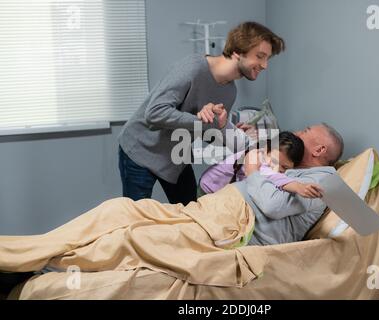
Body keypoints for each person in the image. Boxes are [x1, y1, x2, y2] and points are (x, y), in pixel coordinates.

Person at [0, 123, 343, 295]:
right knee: (117, 209)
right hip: (211, 208)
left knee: (132, 238)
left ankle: (37, 271)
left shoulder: (325, 178)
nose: (299, 131)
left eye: (306, 130)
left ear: (320, 146)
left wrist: (256, 172)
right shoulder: (293, 169)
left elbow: (269, 203)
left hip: (236, 226)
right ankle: (18, 255)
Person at [117, 21, 285, 205]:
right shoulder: (193, 68)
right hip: (141, 149)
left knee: (193, 212)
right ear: (238, 51)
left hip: (175, 156)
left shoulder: (230, 92)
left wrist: (225, 130)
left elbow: (206, 134)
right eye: (260, 56)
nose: (265, 65)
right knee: (135, 217)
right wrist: (200, 120)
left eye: (267, 58)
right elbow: (155, 112)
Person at [198, 131, 324, 199]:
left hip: (218, 187)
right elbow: (274, 177)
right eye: (275, 161)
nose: (278, 169)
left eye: (284, 168)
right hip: (209, 187)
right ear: (266, 150)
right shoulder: (259, 158)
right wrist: (299, 187)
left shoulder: (269, 153)